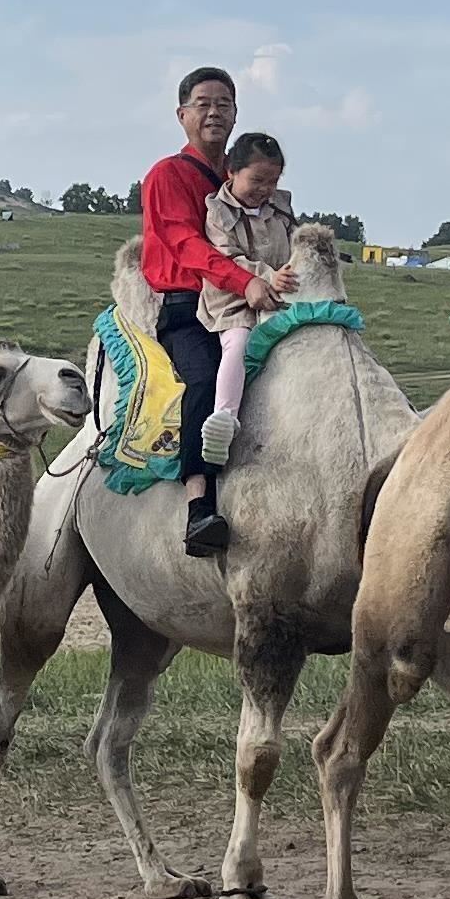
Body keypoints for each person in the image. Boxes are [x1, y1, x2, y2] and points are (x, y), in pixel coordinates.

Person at [137, 67, 257, 555]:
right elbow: (186, 245)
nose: (214, 111)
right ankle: (198, 506)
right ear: (182, 114)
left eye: (224, 103)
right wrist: (245, 281)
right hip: (190, 307)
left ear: (236, 114)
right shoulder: (167, 175)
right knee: (205, 380)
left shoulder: (244, 175)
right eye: (203, 103)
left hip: (244, 299)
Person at [196, 130, 301, 469]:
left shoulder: (281, 209)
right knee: (238, 343)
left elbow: (294, 247)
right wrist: (267, 275)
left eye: (272, 181)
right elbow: (226, 258)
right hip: (233, 300)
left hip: (280, 297)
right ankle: (224, 419)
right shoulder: (217, 212)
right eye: (256, 180)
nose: (264, 190)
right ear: (231, 172)